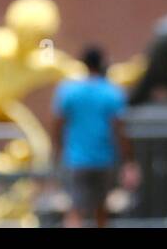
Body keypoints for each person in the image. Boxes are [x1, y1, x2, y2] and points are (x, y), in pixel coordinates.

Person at [51, 45, 133, 227]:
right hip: (104, 159)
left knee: (75, 209)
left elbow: (58, 124)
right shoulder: (112, 92)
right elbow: (119, 129)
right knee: (101, 209)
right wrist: (128, 159)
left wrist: (57, 151)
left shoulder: (68, 91)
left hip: (76, 159)